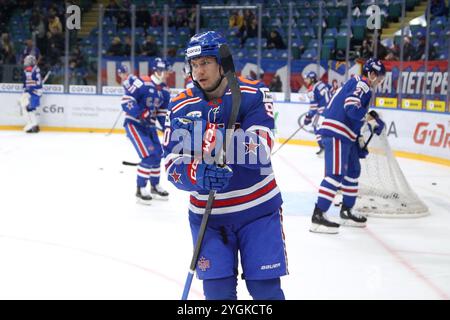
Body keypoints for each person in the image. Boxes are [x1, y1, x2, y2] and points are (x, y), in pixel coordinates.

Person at [163, 31, 287, 300]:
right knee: (218, 295)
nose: (199, 72)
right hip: (209, 219)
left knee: (266, 292)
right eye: (194, 65)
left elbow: (261, 148)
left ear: (223, 63)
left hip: (257, 211)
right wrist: (196, 173)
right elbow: (172, 164)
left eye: (205, 62)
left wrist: (215, 142)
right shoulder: (180, 104)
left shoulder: (254, 94)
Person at [310, 58, 386, 234]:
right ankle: (318, 215)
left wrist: (359, 137)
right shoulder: (364, 84)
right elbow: (351, 108)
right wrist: (370, 120)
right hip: (338, 133)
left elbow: (352, 110)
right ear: (372, 74)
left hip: (346, 135)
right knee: (335, 174)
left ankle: (346, 211)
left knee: (352, 171)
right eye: (380, 77)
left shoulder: (358, 83)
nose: (380, 81)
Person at [118, 59, 170, 204]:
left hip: (150, 126)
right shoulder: (142, 82)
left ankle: (154, 186)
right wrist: (139, 113)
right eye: (165, 70)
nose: (167, 74)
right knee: (148, 155)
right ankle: (140, 189)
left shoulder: (165, 90)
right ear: (158, 70)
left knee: (157, 155)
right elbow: (126, 100)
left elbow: (161, 113)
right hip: (135, 124)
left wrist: (168, 127)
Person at [302, 71, 332, 156]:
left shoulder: (312, 89)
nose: (305, 81)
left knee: (316, 126)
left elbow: (314, 108)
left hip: (323, 111)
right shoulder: (324, 84)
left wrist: (308, 118)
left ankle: (323, 147)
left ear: (312, 79)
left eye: (307, 79)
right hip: (332, 109)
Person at [20, 55, 42, 133]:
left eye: (27, 60)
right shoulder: (36, 68)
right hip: (36, 90)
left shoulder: (29, 69)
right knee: (30, 108)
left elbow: (28, 82)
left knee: (26, 107)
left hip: (32, 91)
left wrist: (27, 89)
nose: (25, 62)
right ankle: (34, 125)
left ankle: (30, 125)